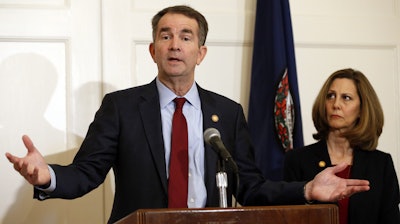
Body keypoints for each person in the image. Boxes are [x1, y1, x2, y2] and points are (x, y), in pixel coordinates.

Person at [6, 6, 370, 224]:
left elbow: (251, 187)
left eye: (185, 36)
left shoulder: (226, 114)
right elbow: (86, 173)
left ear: (201, 52)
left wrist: (306, 188)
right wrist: (46, 176)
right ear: (153, 50)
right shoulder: (122, 107)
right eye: (165, 36)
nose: (175, 44)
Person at [284, 68, 400, 224]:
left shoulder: (381, 164)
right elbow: (288, 217)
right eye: (330, 96)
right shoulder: (297, 160)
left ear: (362, 109)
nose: (336, 104)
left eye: (346, 98)